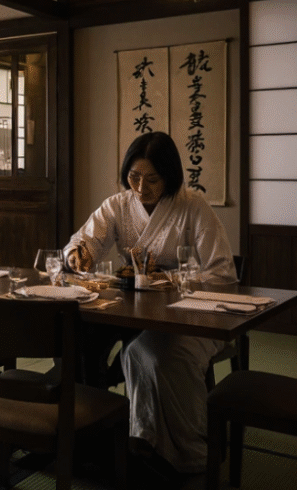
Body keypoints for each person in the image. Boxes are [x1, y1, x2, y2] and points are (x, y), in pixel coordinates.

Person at [63, 131, 236, 478]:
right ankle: (92, 436)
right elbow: (84, 240)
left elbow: (222, 272)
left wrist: (170, 278)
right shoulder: (118, 205)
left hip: (187, 314)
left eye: (152, 179)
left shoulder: (193, 206)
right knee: (81, 338)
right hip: (132, 309)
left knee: (152, 355)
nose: (141, 188)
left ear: (170, 177)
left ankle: (172, 448)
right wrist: (78, 255)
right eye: (134, 177)